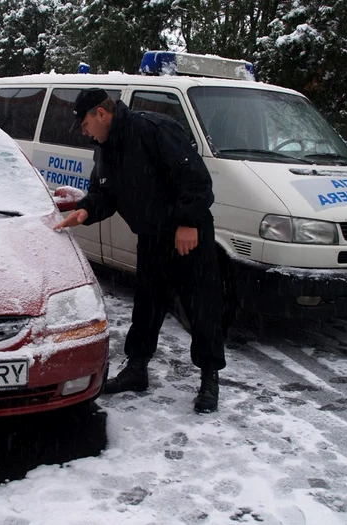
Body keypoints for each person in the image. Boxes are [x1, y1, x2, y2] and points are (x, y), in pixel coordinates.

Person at [53, 88, 226, 413]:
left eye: (85, 124)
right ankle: (137, 369)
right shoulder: (105, 148)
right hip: (152, 236)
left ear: (101, 114)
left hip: (188, 233)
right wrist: (87, 210)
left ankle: (209, 376)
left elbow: (196, 180)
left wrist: (188, 223)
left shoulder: (153, 130)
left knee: (202, 305)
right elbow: (105, 191)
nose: (84, 131)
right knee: (147, 304)